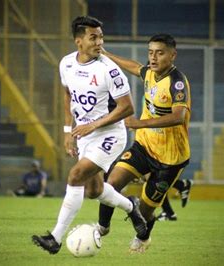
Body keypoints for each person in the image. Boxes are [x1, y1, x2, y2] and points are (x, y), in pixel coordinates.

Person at [32, 16, 147, 255]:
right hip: (85, 134)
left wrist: (93, 126)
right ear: (78, 41)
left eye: (101, 37)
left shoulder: (109, 70)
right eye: (93, 37)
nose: (99, 42)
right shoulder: (66, 63)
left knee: (75, 176)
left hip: (110, 135)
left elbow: (127, 108)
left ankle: (55, 238)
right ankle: (131, 206)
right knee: (93, 191)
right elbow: (68, 94)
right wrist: (67, 131)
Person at [96, 33, 192, 253]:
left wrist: (140, 123)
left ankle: (143, 237)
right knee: (111, 183)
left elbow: (178, 117)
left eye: (160, 52)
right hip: (144, 147)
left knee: (147, 212)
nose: (153, 57)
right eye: (151, 52)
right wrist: (107, 55)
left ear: (172, 55)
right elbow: (135, 67)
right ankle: (101, 228)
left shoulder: (177, 83)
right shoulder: (150, 73)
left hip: (170, 159)